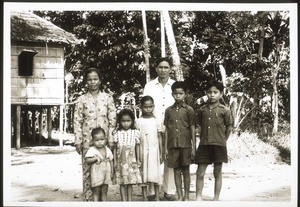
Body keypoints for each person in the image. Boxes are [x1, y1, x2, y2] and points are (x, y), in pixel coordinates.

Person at [73, 67, 117, 201]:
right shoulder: (81, 99)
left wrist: (111, 138)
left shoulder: (107, 98)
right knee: (88, 169)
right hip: (87, 139)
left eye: (95, 79)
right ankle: (88, 199)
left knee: (103, 167)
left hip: (103, 141)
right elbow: (77, 120)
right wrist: (78, 140)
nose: (93, 82)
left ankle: (102, 199)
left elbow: (112, 119)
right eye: (90, 79)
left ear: (100, 80)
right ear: (86, 81)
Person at [143, 57, 176, 200]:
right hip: (152, 126)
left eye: (166, 67)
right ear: (156, 68)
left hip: (171, 127)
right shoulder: (149, 86)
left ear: (170, 69)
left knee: (169, 157)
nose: (163, 70)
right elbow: (145, 105)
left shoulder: (174, 86)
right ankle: (151, 191)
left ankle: (169, 190)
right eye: (160, 67)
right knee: (152, 157)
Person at [194, 80, 233, 201]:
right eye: (209, 92)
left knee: (217, 172)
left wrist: (223, 139)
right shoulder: (202, 110)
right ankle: (198, 197)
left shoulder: (225, 110)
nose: (212, 94)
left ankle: (216, 199)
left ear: (221, 94)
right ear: (206, 93)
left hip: (219, 145)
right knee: (200, 172)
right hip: (204, 144)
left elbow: (229, 127)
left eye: (215, 92)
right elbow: (198, 125)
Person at [164, 81, 196, 201]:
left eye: (181, 93)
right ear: (172, 94)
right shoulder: (168, 110)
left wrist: (194, 147)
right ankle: (179, 196)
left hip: (186, 144)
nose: (178, 96)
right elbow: (167, 129)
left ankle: (187, 196)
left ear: (185, 94)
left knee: (186, 171)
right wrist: (166, 148)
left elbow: (192, 128)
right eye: (176, 93)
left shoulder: (189, 110)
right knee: (176, 171)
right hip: (173, 145)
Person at [136, 95, 163, 201]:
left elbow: (160, 137)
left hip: (154, 150)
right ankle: (145, 197)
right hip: (143, 150)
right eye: (145, 107)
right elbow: (137, 140)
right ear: (141, 107)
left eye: (150, 106)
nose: (148, 109)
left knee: (155, 173)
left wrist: (160, 152)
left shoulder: (156, 121)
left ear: (153, 107)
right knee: (144, 173)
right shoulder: (138, 121)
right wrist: (138, 155)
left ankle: (157, 197)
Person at [113, 108, 143, 201]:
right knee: (122, 182)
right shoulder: (117, 133)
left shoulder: (135, 132)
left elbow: (137, 147)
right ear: (119, 122)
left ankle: (129, 200)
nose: (126, 123)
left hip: (131, 161)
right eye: (123, 121)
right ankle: (123, 200)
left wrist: (138, 159)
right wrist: (114, 161)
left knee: (130, 181)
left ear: (132, 121)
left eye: (128, 121)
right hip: (121, 161)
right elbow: (115, 148)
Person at [85, 127, 113, 201]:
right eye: (97, 140)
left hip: (106, 174)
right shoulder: (92, 150)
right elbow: (87, 160)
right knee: (96, 191)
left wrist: (112, 172)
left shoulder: (107, 149)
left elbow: (111, 160)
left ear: (105, 139)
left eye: (102, 139)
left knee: (104, 190)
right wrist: (95, 159)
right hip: (97, 174)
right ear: (93, 141)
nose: (100, 142)